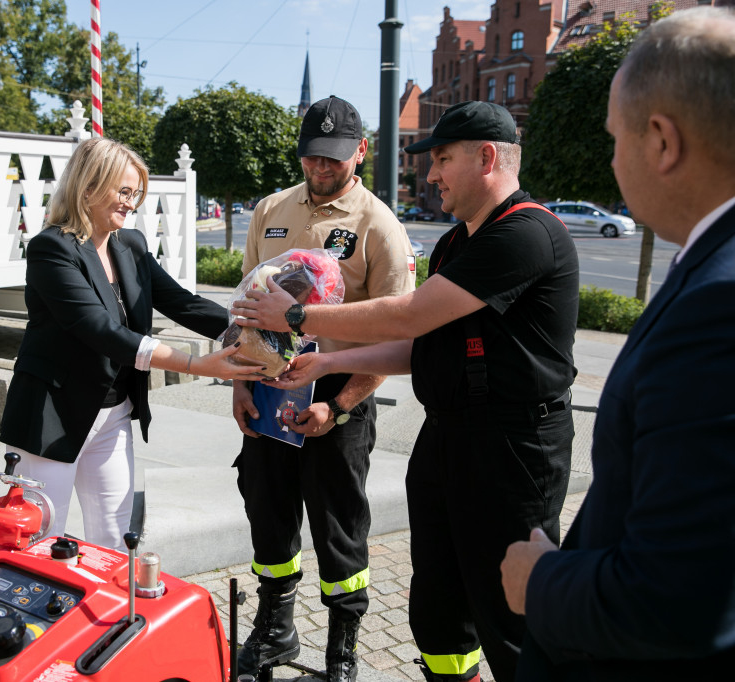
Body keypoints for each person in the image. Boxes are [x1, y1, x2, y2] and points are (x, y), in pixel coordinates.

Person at [235, 100, 579, 682]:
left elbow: (410, 314)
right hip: (447, 437)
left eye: (442, 159)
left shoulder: (526, 232)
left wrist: (298, 317)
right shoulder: (454, 245)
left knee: (513, 611)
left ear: (487, 157)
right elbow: (420, 348)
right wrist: (319, 363)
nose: (432, 174)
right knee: (438, 605)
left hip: (513, 450)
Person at [500, 8, 735, 680]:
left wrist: (541, 580)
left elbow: (678, 597)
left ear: (661, 140)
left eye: (613, 137)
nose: (609, 157)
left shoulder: (717, 307)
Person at [0, 137, 262, 553]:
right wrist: (198, 364)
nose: (131, 203)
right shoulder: (51, 249)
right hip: (52, 414)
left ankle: (111, 617)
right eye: (123, 192)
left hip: (114, 411)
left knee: (113, 535)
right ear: (88, 188)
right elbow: (101, 330)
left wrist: (256, 333)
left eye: (135, 194)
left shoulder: (132, 245)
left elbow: (184, 303)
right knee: (42, 539)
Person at [232, 96, 416, 682]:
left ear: (360, 151)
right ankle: (276, 630)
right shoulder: (271, 210)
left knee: (338, 525)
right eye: (312, 156)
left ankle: (343, 644)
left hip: (335, 394)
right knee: (267, 510)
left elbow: (397, 332)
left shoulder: (378, 226)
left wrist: (338, 405)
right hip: (266, 386)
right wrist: (238, 382)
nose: (320, 168)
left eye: (333, 159)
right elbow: (246, 305)